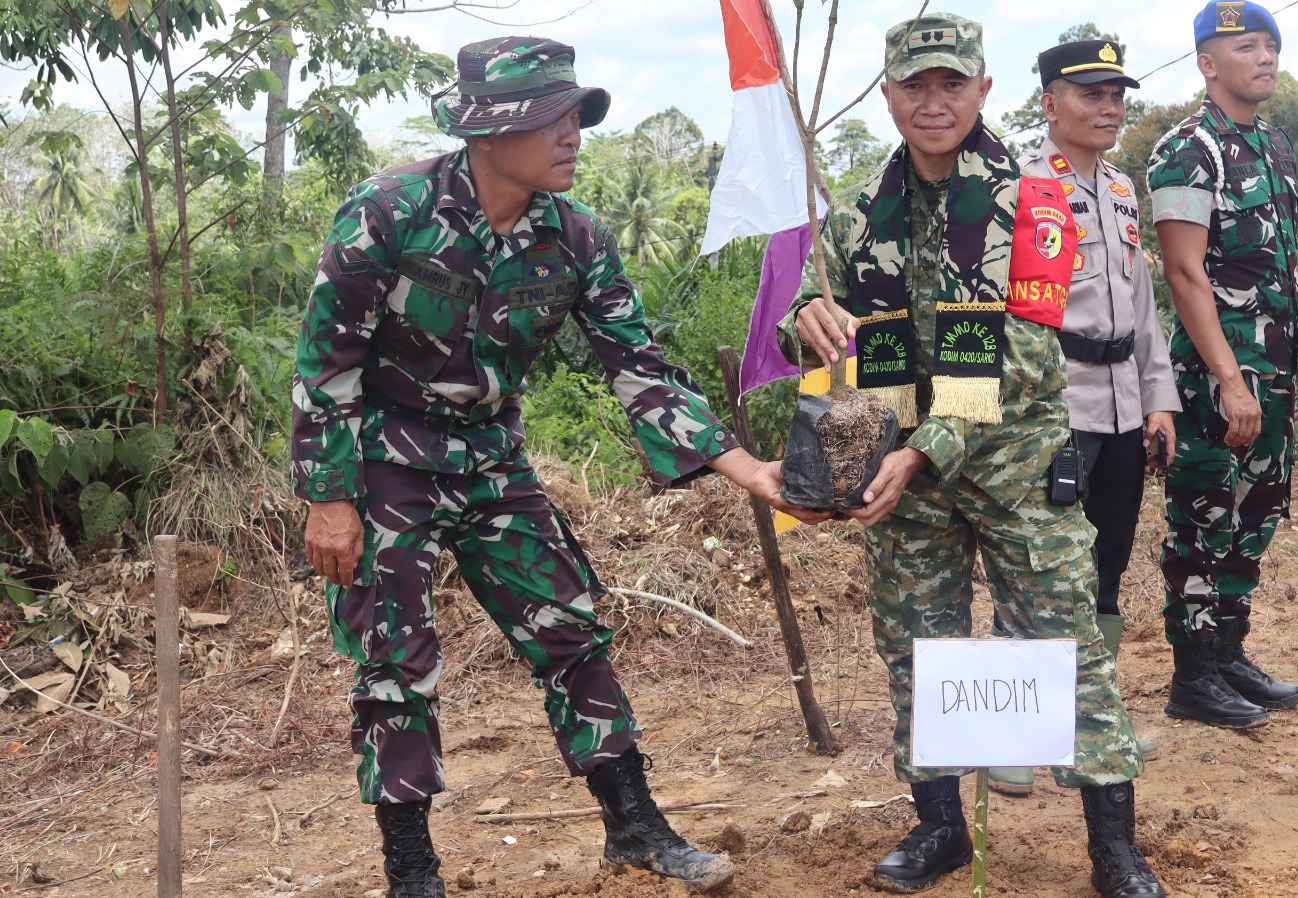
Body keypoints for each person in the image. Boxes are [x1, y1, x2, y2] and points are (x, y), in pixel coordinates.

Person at [291, 37, 819, 896]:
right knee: (394, 661)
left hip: (491, 453)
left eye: (576, 114)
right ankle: (412, 871)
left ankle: (636, 827)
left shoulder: (576, 239)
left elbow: (638, 365)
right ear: (488, 134)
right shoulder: (388, 211)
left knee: (570, 629)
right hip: (386, 457)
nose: (574, 133)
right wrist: (329, 498)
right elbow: (326, 363)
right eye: (552, 118)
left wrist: (743, 466)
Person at [781, 14, 1164, 898]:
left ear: (984, 93)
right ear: (888, 97)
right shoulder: (854, 215)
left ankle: (1114, 848)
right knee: (917, 649)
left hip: (1017, 468)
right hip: (899, 479)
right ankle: (940, 829)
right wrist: (804, 316)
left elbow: (1022, 356)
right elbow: (818, 307)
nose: (933, 102)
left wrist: (921, 450)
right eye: (914, 86)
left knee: (1068, 647)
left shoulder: (1036, 203)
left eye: (952, 83)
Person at [988, 39, 1180, 798]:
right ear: (1049, 102)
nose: (1109, 107)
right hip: (1050, 409)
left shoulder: (1125, 190)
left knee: (1105, 570)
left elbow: (1144, 310)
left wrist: (1159, 397)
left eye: (1116, 94)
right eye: (1090, 93)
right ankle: (1010, 736)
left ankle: (1088, 727)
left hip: (1123, 408)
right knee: (1031, 573)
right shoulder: (1019, 187)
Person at [1146, 0, 1298, 729]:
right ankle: (1192, 676)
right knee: (1202, 518)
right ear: (1206, 61)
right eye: (1248, 46)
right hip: (1214, 378)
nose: (1266, 59)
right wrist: (1228, 378)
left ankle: (1228, 655)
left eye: (1271, 48)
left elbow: (1292, 261)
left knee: (1254, 517)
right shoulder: (1187, 149)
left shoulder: (1274, 144)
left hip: (1277, 372)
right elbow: (1183, 272)